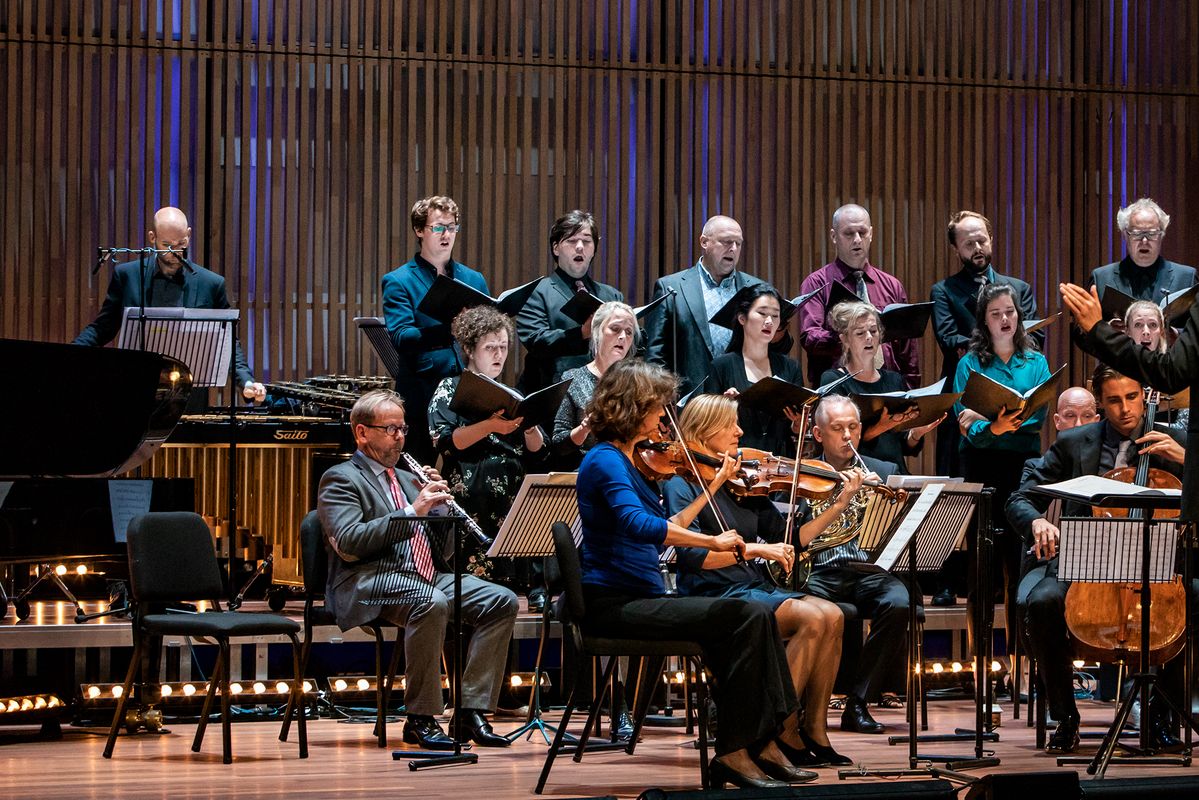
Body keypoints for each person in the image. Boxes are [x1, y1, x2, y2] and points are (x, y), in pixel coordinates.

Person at [576, 359, 814, 788]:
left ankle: (759, 741)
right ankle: (738, 751)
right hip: (613, 604)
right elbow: (640, 526)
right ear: (635, 407)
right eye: (658, 408)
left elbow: (671, 526)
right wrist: (712, 542)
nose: (665, 418)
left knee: (753, 616)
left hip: (641, 598)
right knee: (745, 614)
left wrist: (709, 490)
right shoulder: (605, 460)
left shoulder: (629, 460)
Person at [318, 389, 517, 750]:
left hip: (423, 576)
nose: (399, 437)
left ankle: (470, 710)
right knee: (431, 601)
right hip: (369, 580)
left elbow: (437, 550)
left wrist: (440, 511)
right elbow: (348, 544)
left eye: (402, 429)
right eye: (390, 429)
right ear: (362, 432)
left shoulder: (410, 479)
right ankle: (420, 718)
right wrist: (412, 512)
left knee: (501, 600)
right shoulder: (341, 479)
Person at [661, 394, 852, 767]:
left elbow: (793, 537)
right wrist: (755, 551)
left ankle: (813, 728)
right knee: (812, 617)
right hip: (713, 593)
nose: (740, 431)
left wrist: (839, 504)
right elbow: (695, 559)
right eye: (730, 425)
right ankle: (775, 728)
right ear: (704, 430)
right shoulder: (681, 485)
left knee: (834, 615)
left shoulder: (742, 479)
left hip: (752, 587)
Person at [1005, 367, 1185, 753]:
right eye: (1114, 401)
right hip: (1087, 559)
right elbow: (1020, 497)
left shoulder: (1176, 443)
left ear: (1143, 396)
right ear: (1100, 404)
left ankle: (1161, 716)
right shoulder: (1074, 443)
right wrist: (1037, 520)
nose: (1125, 409)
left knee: (1196, 601)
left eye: (1132, 398)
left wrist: (1186, 459)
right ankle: (1065, 716)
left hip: (1156, 560)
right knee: (1041, 601)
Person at [803, 395, 918, 734]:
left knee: (899, 602)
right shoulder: (801, 473)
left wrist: (885, 502)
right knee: (792, 603)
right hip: (819, 572)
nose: (847, 436)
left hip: (869, 571)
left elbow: (905, 527)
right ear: (818, 434)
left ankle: (859, 701)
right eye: (837, 429)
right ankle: (803, 708)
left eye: (853, 427)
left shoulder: (884, 472)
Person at [74, 206, 266, 403]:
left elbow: (228, 342)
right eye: (167, 245)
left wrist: (246, 382)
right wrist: (68, 356)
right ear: (152, 238)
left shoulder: (212, 284)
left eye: (181, 244)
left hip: (188, 392)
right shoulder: (128, 276)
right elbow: (102, 328)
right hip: (138, 389)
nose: (175, 253)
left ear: (189, 235)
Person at [952, 283, 1052, 648]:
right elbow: (965, 424)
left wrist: (992, 424)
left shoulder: (1035, 360)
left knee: (1018, 568)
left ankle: (1018, 665)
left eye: (1009, 311)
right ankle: (983, 667)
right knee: (982, 571)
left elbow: (1036, 417)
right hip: (981, 469)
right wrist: (991, 427)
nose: (1005, 319)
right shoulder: (969, 363)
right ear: (984, 321)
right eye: (995, 314)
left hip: (1022, 469)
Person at [428, 305, 548, 588]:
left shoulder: (512, 394)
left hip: (511, 501)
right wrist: (491, 426)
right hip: (471, 499)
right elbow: (445, 441)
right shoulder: (450, 387)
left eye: (504, 347)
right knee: (472, 586)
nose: (499, 355)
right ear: (470, 349)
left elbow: (539, 452)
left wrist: (530, 426)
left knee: (512, 589)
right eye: (490, 347)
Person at [930, 210, 1038, 476]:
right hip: (966, 392)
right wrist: (1001, 340)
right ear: (956, 249)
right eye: (968, 244)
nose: (977, 248)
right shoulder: (944, 291)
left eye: (981, 241)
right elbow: (948, 339)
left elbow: (1035, 339)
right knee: (961, 482)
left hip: (1015, 390)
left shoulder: (1019, 288)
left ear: (991, 239)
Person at [382, 196, 489, 462]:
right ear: (419, 231)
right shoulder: (399, 280)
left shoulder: (473, 279)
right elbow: (401, 336)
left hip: (470, 391)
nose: (446, 235)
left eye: (452, 227)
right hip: (423, 391)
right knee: (421, 474)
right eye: (438, 228)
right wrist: (450, 329)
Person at [798, 204, 919, 388]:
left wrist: (909, 391)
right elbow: (810, 337)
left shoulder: (892, 285)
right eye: (849, 233)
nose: (857, 239)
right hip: (838, 388)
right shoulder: (817, 283)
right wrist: (851, 338)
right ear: (833, 236)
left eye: (862, 233)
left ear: (871, 234)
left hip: (888, 387)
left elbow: (907, 349)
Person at [644, 215, 765, 395]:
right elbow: (655, 356)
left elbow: (773, 349)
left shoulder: (755, 289)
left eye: (738, 243)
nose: (733, 249)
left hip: (742, 402)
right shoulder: (671, 287)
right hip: (690, 403)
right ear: (704, 242)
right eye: (726, 242)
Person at [819, 301, 941, 472]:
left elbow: (904, 446)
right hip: (858, 475)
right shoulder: (834, 380)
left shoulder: (894, 380)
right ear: (845, 340)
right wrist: (880, 427)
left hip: (895, 474)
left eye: (873, 331)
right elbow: (838, 443)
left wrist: (917, 432)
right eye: (860, 333)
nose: (869, 337)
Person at [516, 210, 623, 394]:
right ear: (556, 248)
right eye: (572, 241)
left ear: (594, 249)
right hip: (551, 395)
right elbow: (536, 340)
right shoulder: (536, 291)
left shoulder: (612, 296)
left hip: (602, 395)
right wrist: (581, 333)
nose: (580, 247)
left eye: (587, 241)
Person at [705, 284, 805, 454]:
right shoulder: (721, 366)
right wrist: (725, 407)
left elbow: (796, 431)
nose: (769, 321)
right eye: (762, 313)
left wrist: (798, 424)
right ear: (742, 318)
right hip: (738, 461)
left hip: (781, 464)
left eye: (775, 316)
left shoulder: (791, 367)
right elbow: (708, 425)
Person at [551, 301, 638, 471]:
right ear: (596, 331)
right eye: (615, 329)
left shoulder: (637, 381)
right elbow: (559, 443)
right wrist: (584, 429)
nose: (623, 337)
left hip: (629, 471)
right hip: (588, 470)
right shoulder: (572, 378)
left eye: (629, 332)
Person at [1086, 198, 1196, 305]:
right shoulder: (1101, 279)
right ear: (1125, 235)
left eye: (1152, 234)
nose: (1144, 241)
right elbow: (1085, 322)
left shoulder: (1187, 278)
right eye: (1137, 233)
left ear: (1161, 236)